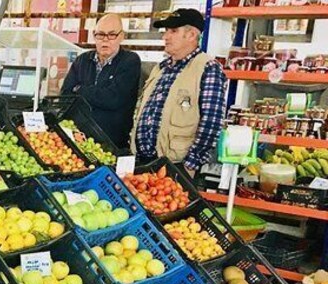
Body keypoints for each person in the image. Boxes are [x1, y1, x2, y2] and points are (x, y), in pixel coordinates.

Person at [131, 9, 227, 175]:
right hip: (143, 163)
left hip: (176, 166)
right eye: (166, 31)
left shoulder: (208, 68)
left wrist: (190, 164)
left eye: (173, 31)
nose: (166, 37)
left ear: (191, 35)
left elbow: (211, 122)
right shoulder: (160, 68)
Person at [60, 13, 141, 148]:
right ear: (94, 35)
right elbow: (65, 95)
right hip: (78, 140)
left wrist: (80, 89)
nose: (105, 40)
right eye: (100, 34)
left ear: (122, 36)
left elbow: (113, 99)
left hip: (111, 143)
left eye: (112, 34)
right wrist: (98, 94)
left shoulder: (130, 61)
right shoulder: (82, 60)